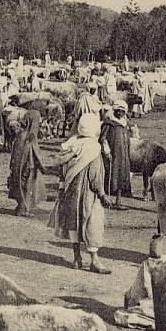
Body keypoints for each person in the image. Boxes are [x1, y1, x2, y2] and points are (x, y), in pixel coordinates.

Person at [48, 113, 113, 274]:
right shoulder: (93, 148)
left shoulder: (71, 144)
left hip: (70, 190)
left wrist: (62, 187)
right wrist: (102, 194)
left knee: (73, 222)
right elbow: (95, 175)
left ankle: (76, 257)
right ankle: (94, 260)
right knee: (92, 222)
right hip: (88, 193)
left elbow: (61, 170)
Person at [8, 109, 46, 217]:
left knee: (24, 184)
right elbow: (28, 154)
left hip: (22, 166)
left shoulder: (22, 135)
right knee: (25, 184)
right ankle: (22, 208)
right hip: (26, 166)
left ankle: (22, 206)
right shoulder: (27, 138)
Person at [100, 100, 132, 209]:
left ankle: (118, 202)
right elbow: (103, 139)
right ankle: (105, 200)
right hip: (113, 154)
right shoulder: (109, 123)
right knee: (110, 175)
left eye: (122, 112)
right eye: (118, 111)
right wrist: (107, 151)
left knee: (121, 176)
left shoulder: (124, 124)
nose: (119, 113)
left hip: (123, 155)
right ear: (114, 111)